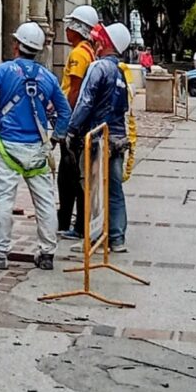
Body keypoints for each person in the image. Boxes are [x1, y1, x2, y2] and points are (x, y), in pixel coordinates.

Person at [0, 21, 71, 271]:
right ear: (38, 49)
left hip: (6, 148)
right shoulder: (48, 77)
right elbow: (64, 112)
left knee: (4, 200)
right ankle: (47, 253)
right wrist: (57, 136)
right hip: (37, 149)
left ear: (16, 45)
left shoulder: (4, 71)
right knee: (45, 201)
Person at [68, 20, 133, 253]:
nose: (95, 40)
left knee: (93, 189)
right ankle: (116, 239)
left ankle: (93, 238)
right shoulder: (121, 72)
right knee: (114, 189)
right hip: (117, 138)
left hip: (96, 138)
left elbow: (85, 102)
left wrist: (72, 129)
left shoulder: (98, 68)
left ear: (105, 42)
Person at [57, 4, 99, 240]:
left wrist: (65, 120)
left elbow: (74, 90)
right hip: (84, 122)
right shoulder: (89, 52)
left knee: (68, 176)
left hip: (74, 123)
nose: (66, 30)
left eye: (70, 26)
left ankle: (69, 223)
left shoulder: (78, 55)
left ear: (78, 29)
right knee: (78, 174)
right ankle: (75, 222)